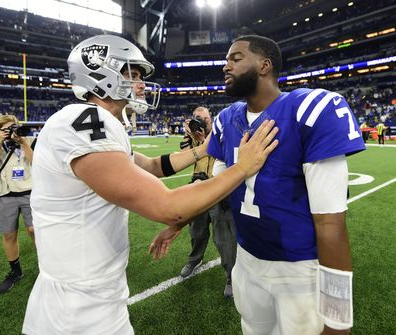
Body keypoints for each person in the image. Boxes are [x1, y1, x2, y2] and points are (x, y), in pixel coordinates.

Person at [21, 34, 279, 335]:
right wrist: (242, 167)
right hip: (77, 307)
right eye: (131, 74)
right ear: (99, 74)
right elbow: (168, 208)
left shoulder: (94, 123)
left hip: (87, 293)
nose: (141, 84)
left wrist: (204, 148)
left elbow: (153, 167)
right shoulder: (84, 122)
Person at [151, 35, 365, 335]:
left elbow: (331, 223)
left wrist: (338, 319)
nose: (226, 66)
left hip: (298, 268)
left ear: (265, 66)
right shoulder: (227, 119)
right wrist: (180, 221)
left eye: (235, 58)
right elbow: (219, 187)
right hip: (247, 260)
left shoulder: (310, 109)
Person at [179, 106, 237, 298]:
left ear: (210, 119)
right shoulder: (191, 137)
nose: (201, 121)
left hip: (218, 191)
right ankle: (195, 259)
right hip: (197, 188)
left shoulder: (221, 133)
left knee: (224, 238)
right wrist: (191, 138)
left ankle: (231, 276)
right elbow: (183, 158)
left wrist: (204, 140)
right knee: (196, 231)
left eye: (204, 118)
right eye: (197, 118)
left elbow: (224, 155)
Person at [0, 115, 36, 293]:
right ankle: (15, 271)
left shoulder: (28, 139)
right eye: (6, 129)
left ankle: (47, 265)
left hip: (29, 191)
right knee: (9, 234)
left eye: (14, 127)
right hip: (4, 192)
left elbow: (35, 162)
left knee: (34, 230)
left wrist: (23, 142)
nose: (12, 131)